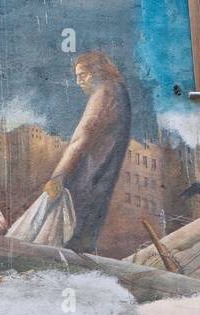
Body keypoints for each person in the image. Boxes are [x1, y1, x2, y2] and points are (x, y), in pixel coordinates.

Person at [38, 51, 131, 253]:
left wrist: (57, 178)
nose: (78, 81)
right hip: (101, 175)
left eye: (82, 75)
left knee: (70, 227)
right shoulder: (118, 91)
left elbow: (81, 138)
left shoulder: (104, 92)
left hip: (86, 177)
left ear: (97, 72)